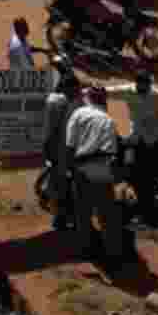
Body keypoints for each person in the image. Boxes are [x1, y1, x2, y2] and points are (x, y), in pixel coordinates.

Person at [66, 86, 123, 265]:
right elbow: (112, 153)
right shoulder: (108, 121)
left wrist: (71, 169)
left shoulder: (78, 114)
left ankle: (86, 252)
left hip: (81, 172)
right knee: (107, 217)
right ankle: (112, 255)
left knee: (82, 214)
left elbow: (70, 146)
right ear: (103, 101)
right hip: (102, 174)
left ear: (89, 98)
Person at [119, 71, 158, 225]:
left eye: (147, 85)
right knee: (136, 173)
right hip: (138, 140)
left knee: (150, 174)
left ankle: (150, 203)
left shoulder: (156, 95)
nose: (145, 87)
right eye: (143, 85)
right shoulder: (128, 91)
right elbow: (108, 91)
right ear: (137, 84)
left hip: (155, 142)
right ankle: (146, 201)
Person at [43, 67, 81, 228]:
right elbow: (50, 131)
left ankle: (64, 215)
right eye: (75, 90)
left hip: (69, 151)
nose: (76, 92)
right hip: (60, 152)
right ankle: (60, 217)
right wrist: (49, 151)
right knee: (60, 185)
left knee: (64, 184)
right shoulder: (57, 102)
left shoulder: (70, 101)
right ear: (67, 88)